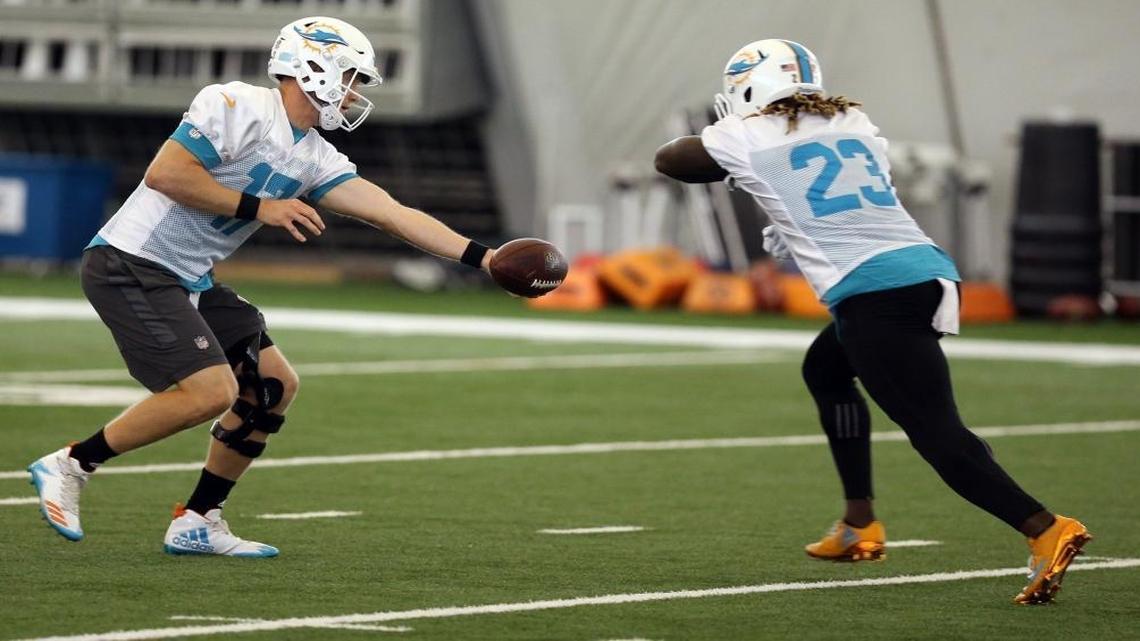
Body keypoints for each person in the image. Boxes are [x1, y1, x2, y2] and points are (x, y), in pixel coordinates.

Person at [28, 16, 502, 557]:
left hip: (188, 277)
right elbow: (167, 175)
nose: (353, 94)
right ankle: (70, 463)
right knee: (211, 393)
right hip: (131, 262)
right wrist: (262, 208)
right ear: (314, 67)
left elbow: (393, 214)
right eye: (349, 78)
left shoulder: (316, 154)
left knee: (271, 385)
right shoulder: (238, 105)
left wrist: (484, 257)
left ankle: (199, 519)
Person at [654, 39, 1090, 604]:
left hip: (877, 291)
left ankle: (1045, 528)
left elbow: (672, 160)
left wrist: (730, 152)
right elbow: (840, 196)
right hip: (920, 271)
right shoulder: (855, 123)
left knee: (937, 434)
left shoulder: (741, 133)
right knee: (826, 371)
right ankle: (859, 524)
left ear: (748, 86)